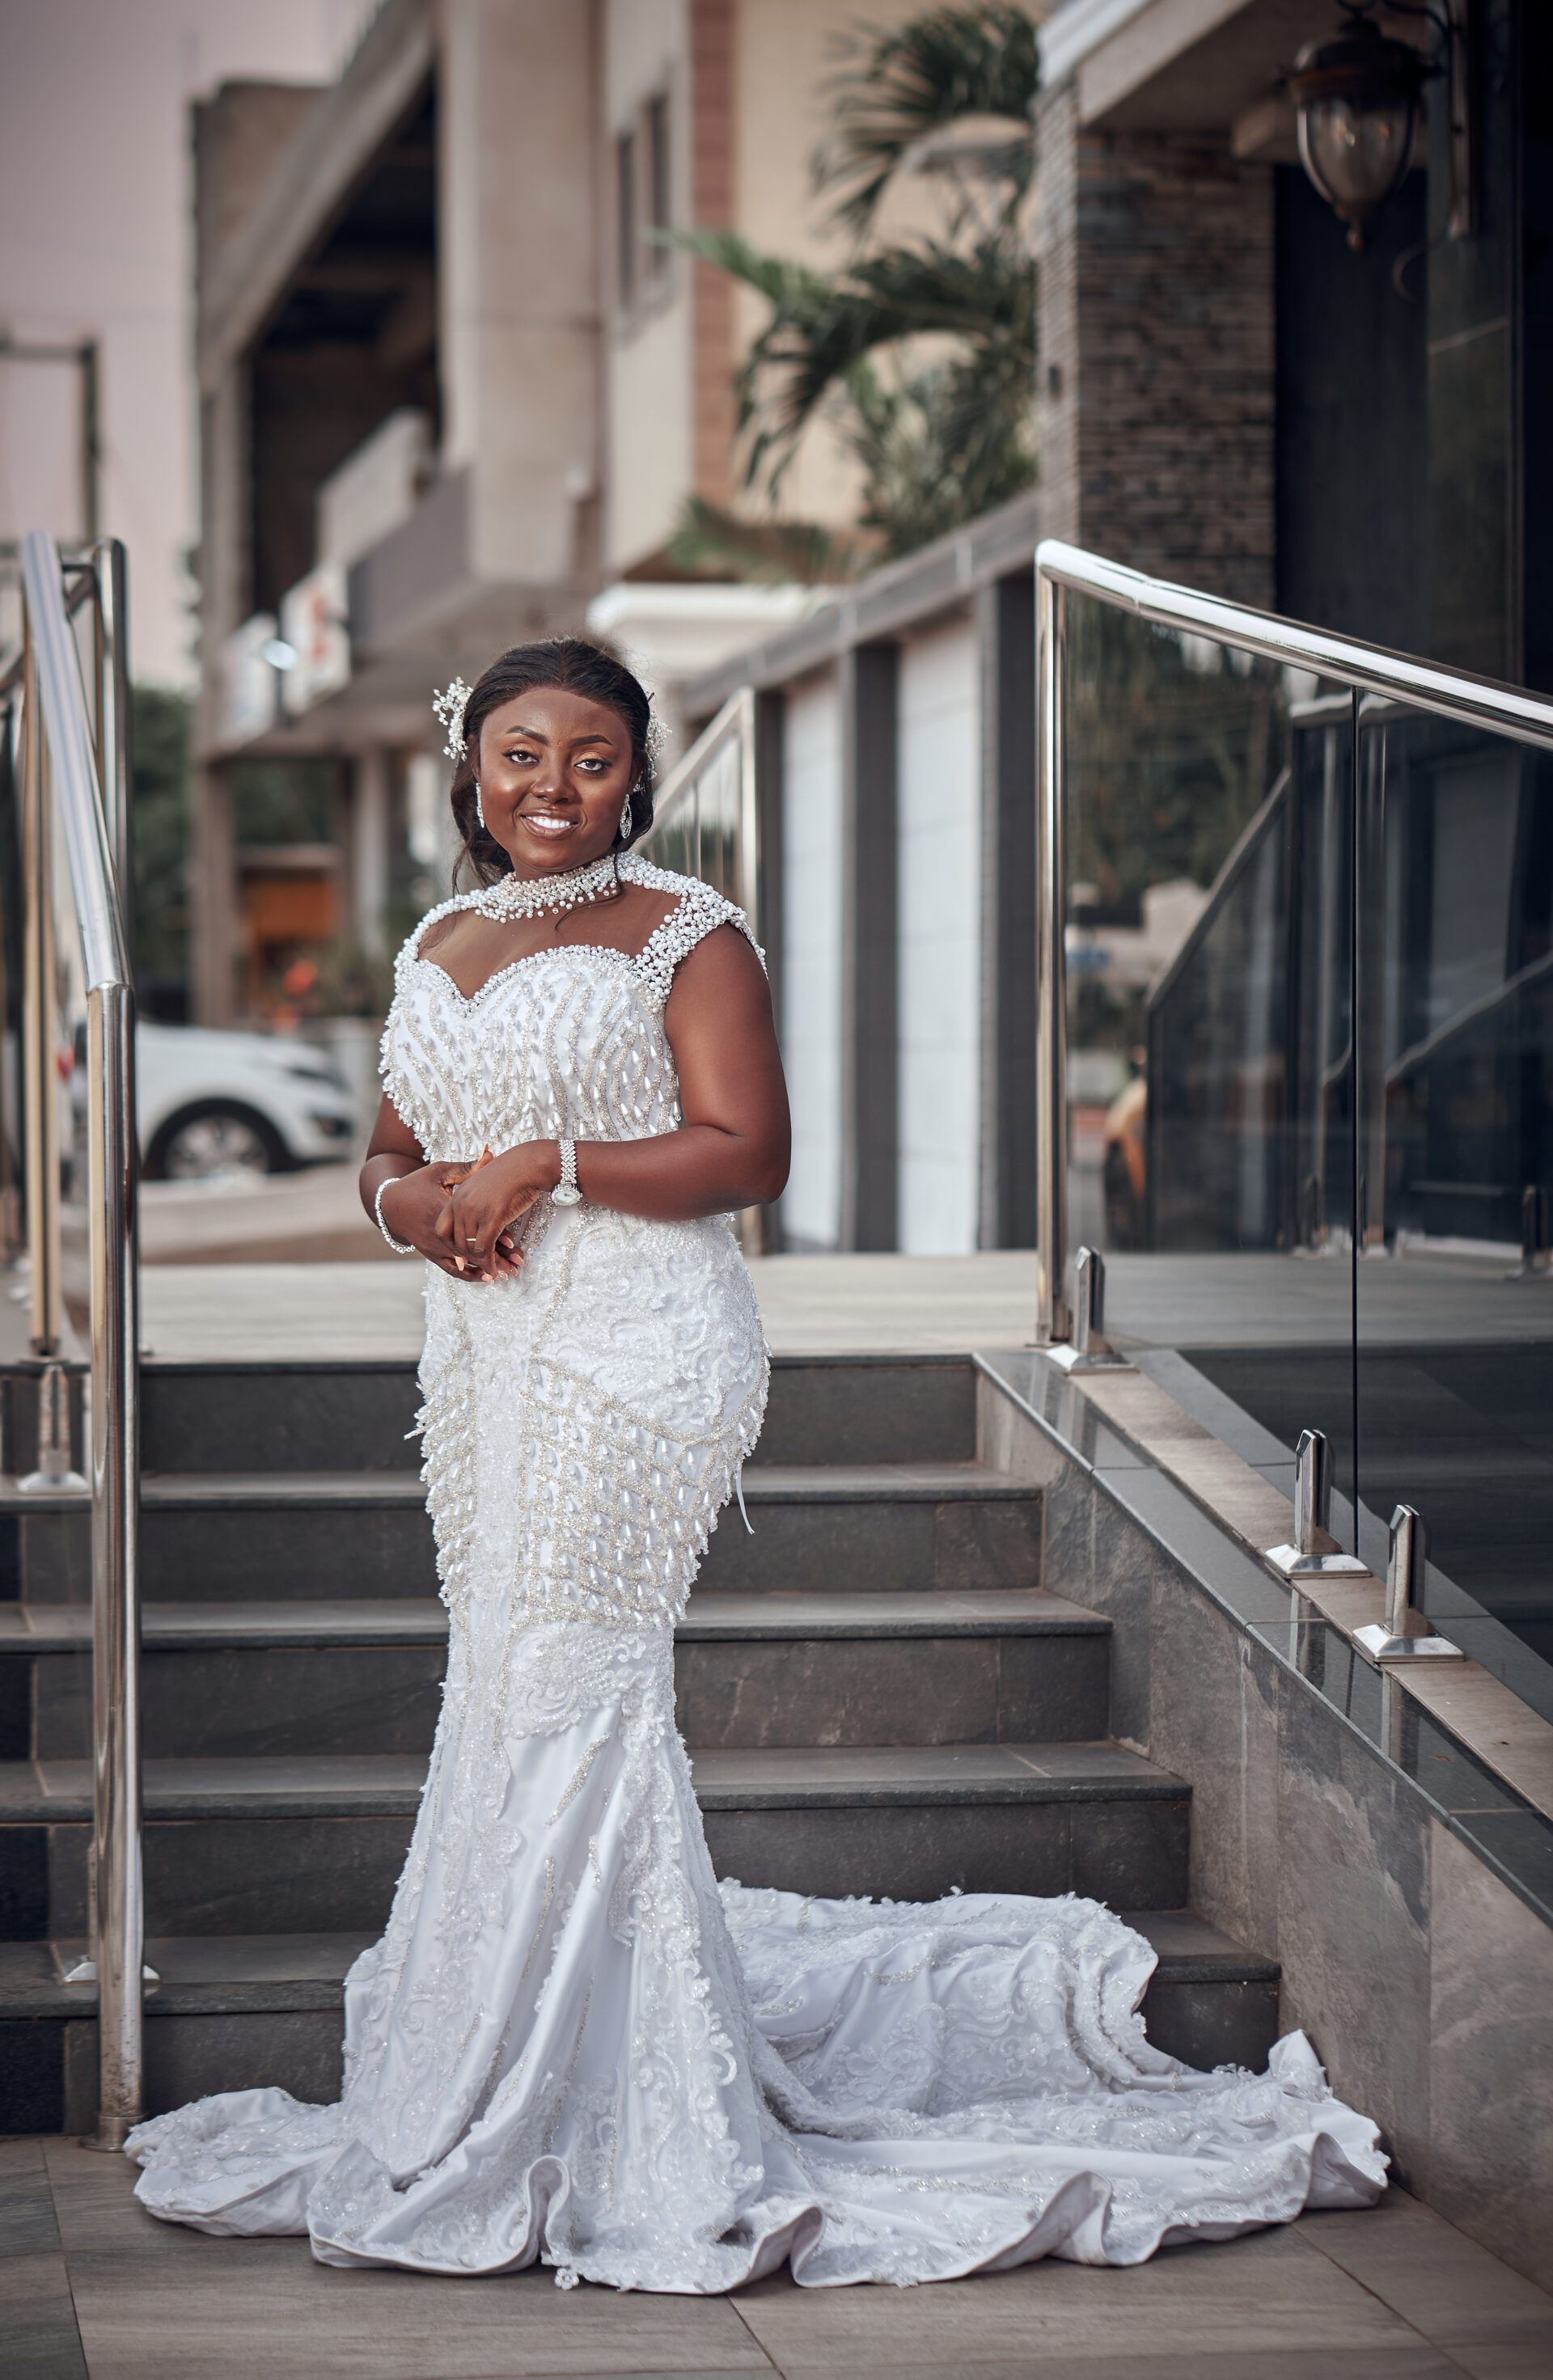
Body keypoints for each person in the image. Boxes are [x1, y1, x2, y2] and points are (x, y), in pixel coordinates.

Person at [128, 639, 1385, 2285]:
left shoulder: (686, 931)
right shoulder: (436, 938)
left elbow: (749, 1150)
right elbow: (387, 1150)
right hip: (485, 1353)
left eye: (590, 758)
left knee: (578, 1684)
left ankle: (595, 2100)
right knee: (500, 1681)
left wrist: (546, 1165)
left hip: (640, 1350)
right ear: (472, 769)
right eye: (521, 754)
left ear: (636, 774)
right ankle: (512, 2059)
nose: (554, 788)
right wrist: (413, 1205)